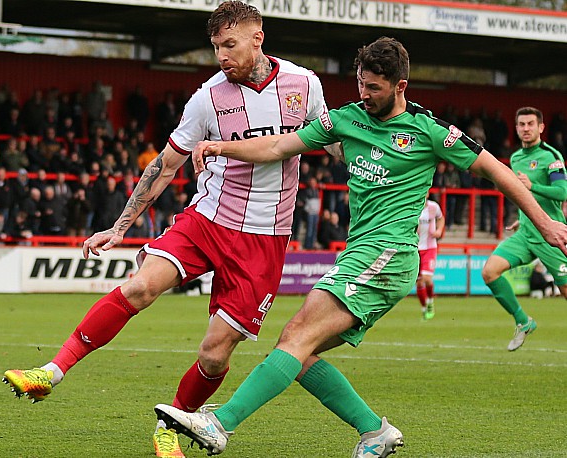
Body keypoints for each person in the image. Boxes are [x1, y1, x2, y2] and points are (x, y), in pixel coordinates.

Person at [154, 37, 567, 458]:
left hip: (388, 254)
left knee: (296, 337)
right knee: (300, 352)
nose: (363, 94)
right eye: (360, 84)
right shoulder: (346, 119)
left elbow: (498, 172)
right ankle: (374, 431)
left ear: (400, 85)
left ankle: (218, 425)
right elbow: (279, 145)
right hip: (360, 254)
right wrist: (221, 145)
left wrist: (546, 221)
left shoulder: (429, 131)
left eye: (373, 88)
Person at [1, 3, 327, 458]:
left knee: (215, 355)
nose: (221, 56)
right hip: (208, 220)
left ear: (258, 38)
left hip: (265, 238)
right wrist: (119, 227)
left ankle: (172, 424)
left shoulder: (304, 85)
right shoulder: (208, 98)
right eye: (215, 47)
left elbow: (330, 142)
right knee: (140, 286)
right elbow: (165, 165)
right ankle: (50, 372)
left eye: (229, 45)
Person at [481, 107, 567, 351]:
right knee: (489, 272)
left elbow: (562, 193)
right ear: (516, 128)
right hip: (526, 233)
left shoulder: (551, 156)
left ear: (541, 127)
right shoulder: (516, 157)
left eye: (531, 124)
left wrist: (532, 186)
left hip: (549, 237)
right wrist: (523, 218)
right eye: (521, 124)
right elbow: (521, 196)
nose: (526, 128)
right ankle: (523, 321)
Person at [416, 195, 445, 320]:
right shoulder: (412, 207)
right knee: (419, 282)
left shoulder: (434, 207)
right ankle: (424, 308)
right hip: (415, 248)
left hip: (429, 247)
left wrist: (439, 230)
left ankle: (431, 302)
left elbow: (441, 218)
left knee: (427, 278)